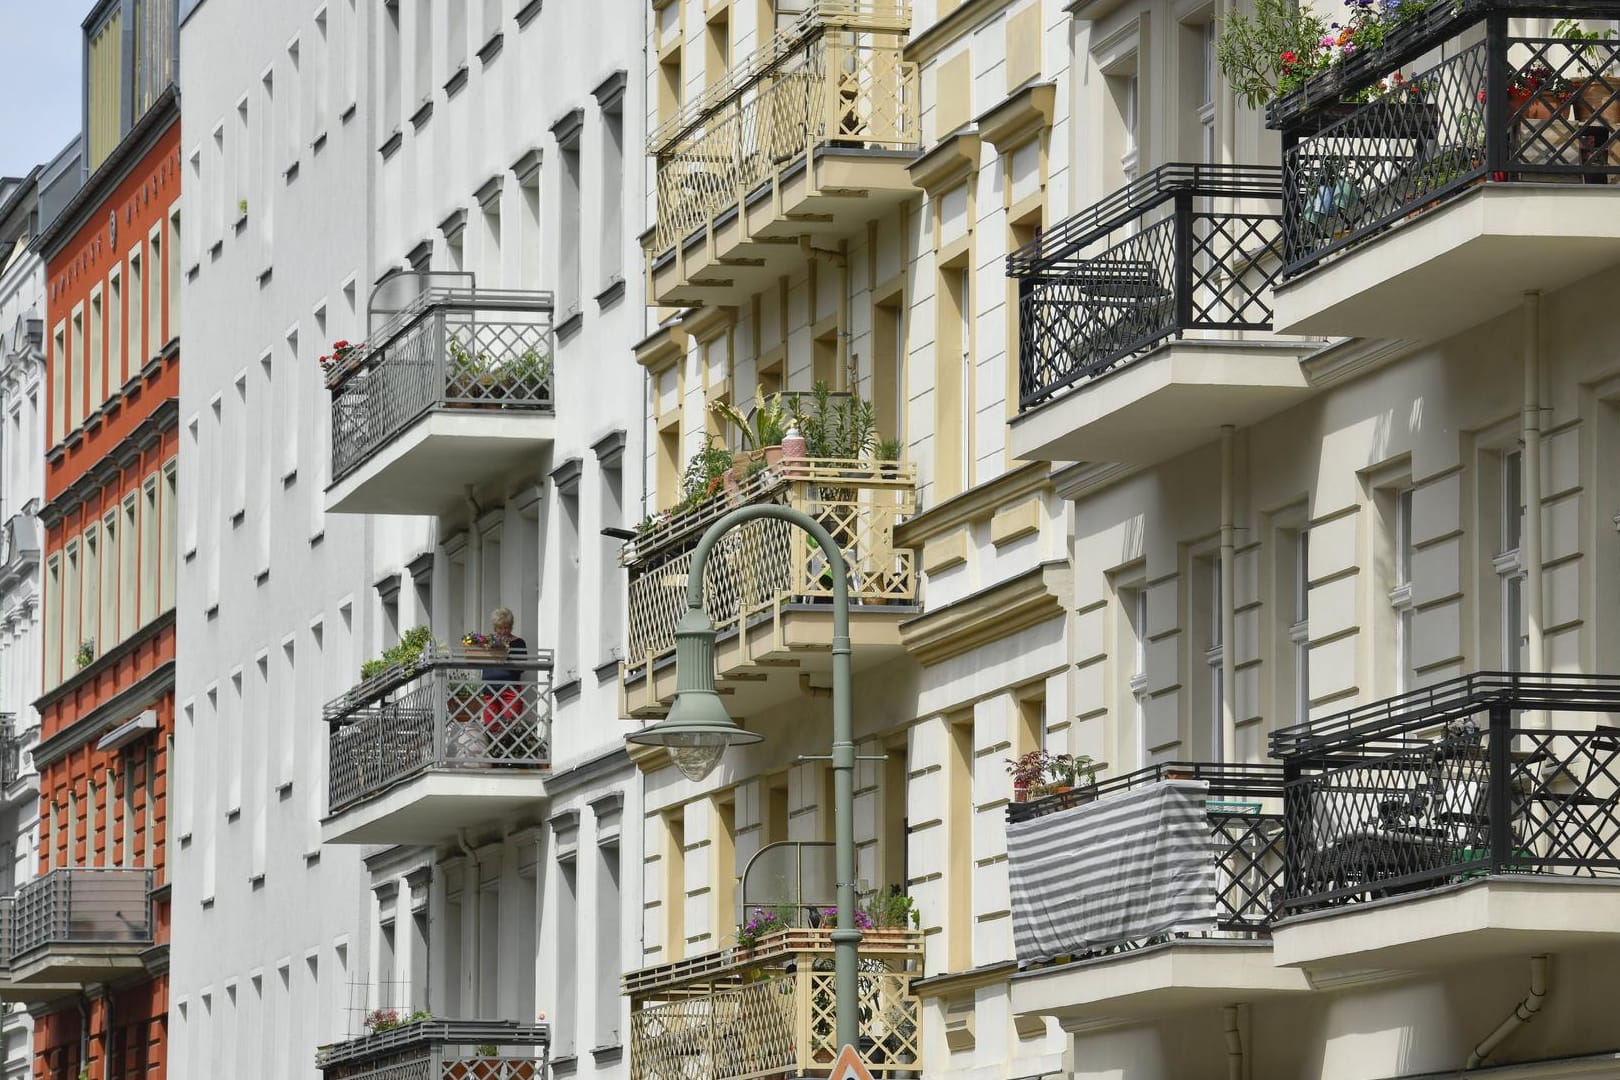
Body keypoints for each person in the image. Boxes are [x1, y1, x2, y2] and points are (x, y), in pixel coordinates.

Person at [480, 607, 528, 738]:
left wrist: (506, 655)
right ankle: (493, 754)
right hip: (490, 688)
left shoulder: (518, 643)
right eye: (500, 628)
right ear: (495, 627)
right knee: (491, 726)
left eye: (506, 628)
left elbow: (522, 666)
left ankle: (510, 755)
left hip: (510, 689)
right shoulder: (487, 642)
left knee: (510, 726)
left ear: (511, 627)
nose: (503, 631)